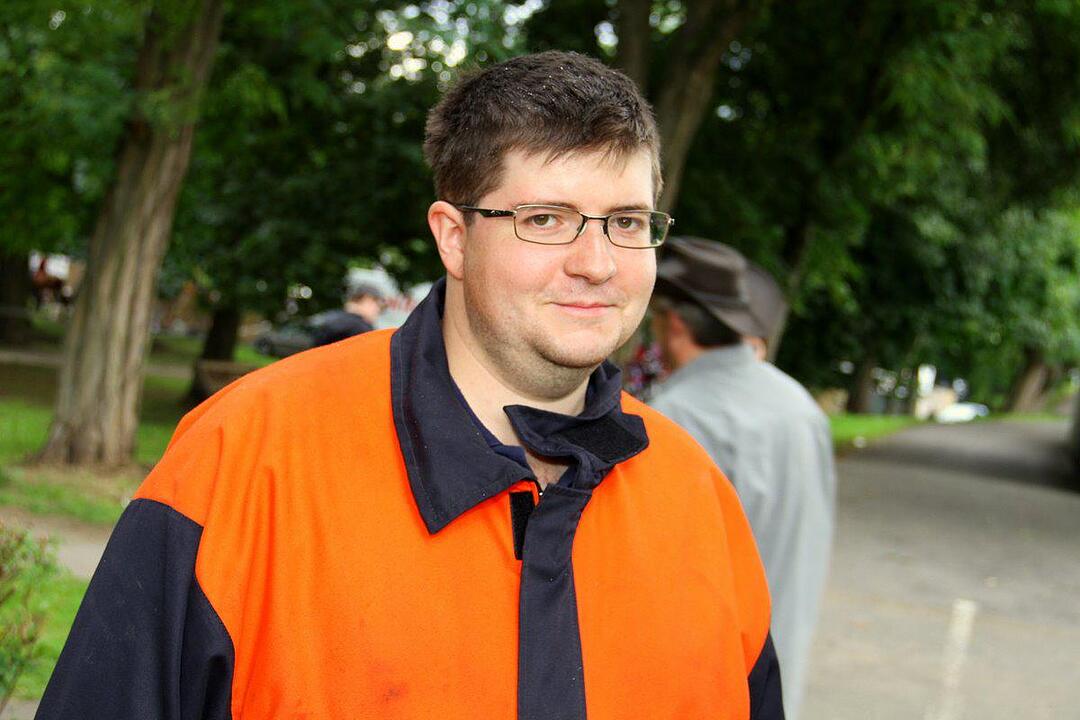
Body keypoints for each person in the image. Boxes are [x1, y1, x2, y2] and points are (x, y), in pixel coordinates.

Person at [37, 53, 782, 720]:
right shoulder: (247, 459)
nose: (597, 262)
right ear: (453, 236)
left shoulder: (700, 499)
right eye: (546, 218)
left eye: (626, 221)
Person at [648, 237, 836, 720]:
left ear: (674, 323)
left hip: (707, 686)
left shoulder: (679, 417)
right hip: (777, 672)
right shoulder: (799, 405)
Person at [310, 281, 384, 346]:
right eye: (378, 305)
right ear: (367, 299)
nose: (378, 311)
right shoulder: (360, 327)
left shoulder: (329, 317)